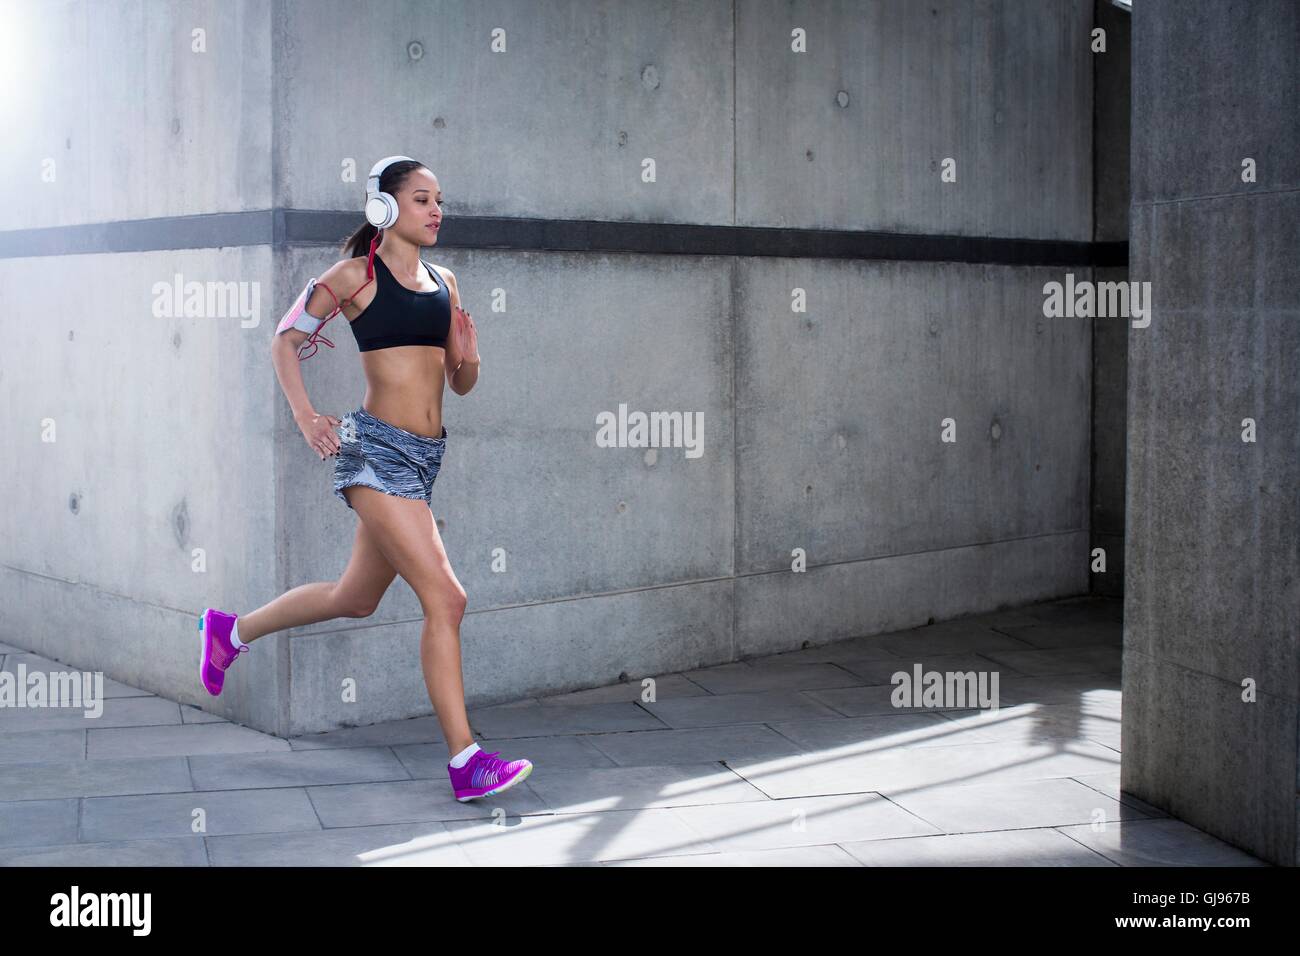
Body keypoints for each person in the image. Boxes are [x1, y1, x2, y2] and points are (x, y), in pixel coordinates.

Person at [198, 156, 532, 803]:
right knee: (448, 599)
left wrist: (470, 350)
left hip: (423, 459)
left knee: (354, 597)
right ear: (384, 207)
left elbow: (460, 384)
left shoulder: (447, 282)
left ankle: (229, 632)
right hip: (373, 452)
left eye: (439, 200)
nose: (436, 210)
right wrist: (305, 415)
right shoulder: (353, 277)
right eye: (421, 199)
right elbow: (283, 340)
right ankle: (466, 761)